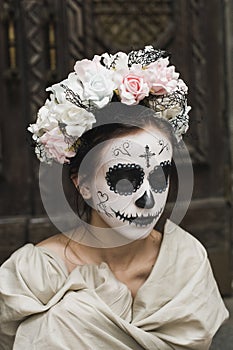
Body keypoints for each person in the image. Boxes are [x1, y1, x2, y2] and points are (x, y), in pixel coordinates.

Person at [0, 46, 228, 349]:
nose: (148, 200)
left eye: (159, 176)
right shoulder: (32, 277)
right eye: (124, 179)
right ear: (83, 184)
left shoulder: (185, 264)